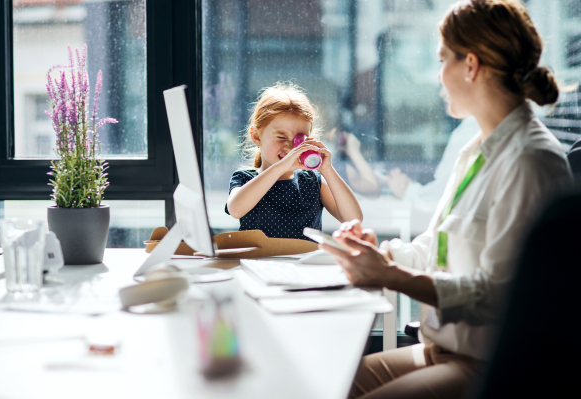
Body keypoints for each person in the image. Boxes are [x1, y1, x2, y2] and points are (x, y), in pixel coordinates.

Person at [321, 1, 571, 398]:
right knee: (327, 384)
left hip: (488, 368)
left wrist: (392, 278)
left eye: (443, 61)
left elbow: (497, 297)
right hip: (441, 351)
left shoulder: (531, 162)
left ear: (470, 65)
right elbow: (436, 248)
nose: (438, 78)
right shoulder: (475, 150)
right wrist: (383, 256)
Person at [225, 82, 363, 240]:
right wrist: (280, 168)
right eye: (281, 137)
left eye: (299, 140)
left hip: (303, 263)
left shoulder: (312, 181)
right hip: (259, 262)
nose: (290, 147)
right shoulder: (245, 178)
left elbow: (353, 219)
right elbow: (236, 209)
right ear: (256, 136)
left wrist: (327, 170)